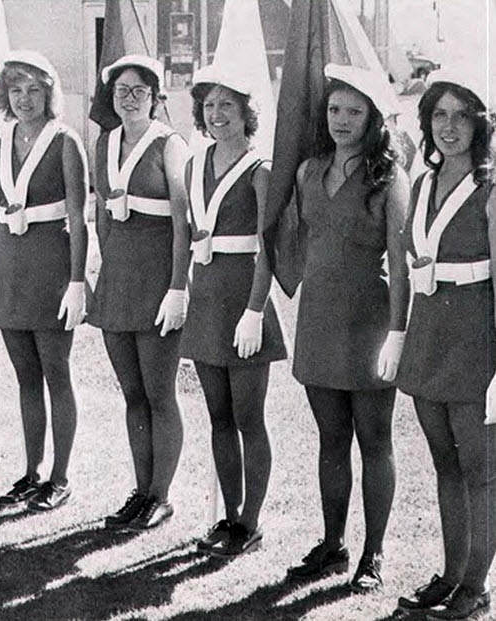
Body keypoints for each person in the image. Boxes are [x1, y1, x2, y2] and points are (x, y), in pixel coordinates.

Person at [284, 64, 410, 592]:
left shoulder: (389, 177)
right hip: (318, 318)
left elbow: (401, 265)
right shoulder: (307, 171)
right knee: (330, 440)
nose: (341, 120)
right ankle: (333, 544)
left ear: (373, 118)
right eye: (334, 109)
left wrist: (397, 336)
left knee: (373, 440)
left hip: (369, 322)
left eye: (354, 111)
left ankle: (372, 553)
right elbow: (294, 240)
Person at [393, 69, 495, 620]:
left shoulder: (490, 189)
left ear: (480, 124)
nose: (449, 127)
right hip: (431, 332)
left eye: (461, 115)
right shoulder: (423, 180)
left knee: (480, 468)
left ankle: (476, 586)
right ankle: (453, 573)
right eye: (439, 115)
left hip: (475, 338)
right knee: (443, 463)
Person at [181, 66, 287, 556]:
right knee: (218, 415)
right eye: (209, 105)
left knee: (248, 415)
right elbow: (194, 231)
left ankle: (251, 521)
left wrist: (254, 309)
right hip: (207, 298)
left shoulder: (260, 169)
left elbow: (268, 246)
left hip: (244, 299)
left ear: (247, 112)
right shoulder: (194, 162)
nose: (217, 114)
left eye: (227, 104)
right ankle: (228, 515)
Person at [88, 55, 190, 530]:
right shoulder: (104, 142)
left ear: (156, 98)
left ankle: (161, 495)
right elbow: (103, 214)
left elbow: (183, 223)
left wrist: (177, 286)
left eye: (138, 92)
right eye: (121, 91)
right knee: (132, 394)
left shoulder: (169, 144)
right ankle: (140, 488)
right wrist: (109, 269)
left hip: (157, 281)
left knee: (158, 392)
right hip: (118, 281)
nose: (128, 99)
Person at [0, 51, 88, 511]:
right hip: (10, 264)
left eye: (33, 89)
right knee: (25, 377)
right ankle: (31, 472)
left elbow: (79, 218)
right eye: (15, 89)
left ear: (49, 93)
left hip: (50, 264)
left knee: (55, 373)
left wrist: (77, 280)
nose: (24, 99)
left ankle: (60, 477)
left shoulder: (65, 141)